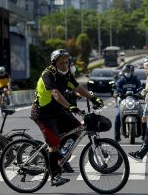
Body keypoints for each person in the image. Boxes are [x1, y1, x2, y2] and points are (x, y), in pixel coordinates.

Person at [31, 49, 103, 187]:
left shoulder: (66, 74)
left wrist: (93, 98)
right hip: (43, 113)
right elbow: (55, 93)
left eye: (66, 62)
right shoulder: (48, 74)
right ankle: (55, 176)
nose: (65, 65)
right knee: (54, 144)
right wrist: (70, 106)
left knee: (78, 129)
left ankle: (59, 156)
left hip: (57, 111)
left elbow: (78, 88)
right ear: (54, 63)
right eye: (61, 62)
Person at [113, 64, 142, 142]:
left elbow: (140, 88)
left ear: (132, 72)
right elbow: (117, 88)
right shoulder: (121, 80)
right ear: (123, 72)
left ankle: (145, 134)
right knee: (118, 116)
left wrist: (141, 93)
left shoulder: (136, 79)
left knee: (142, 114)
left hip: (135, 100)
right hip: (123, 101)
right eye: (126, 71)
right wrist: (116, 93)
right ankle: (117, 135)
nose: (128, 73)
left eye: (129, 71)